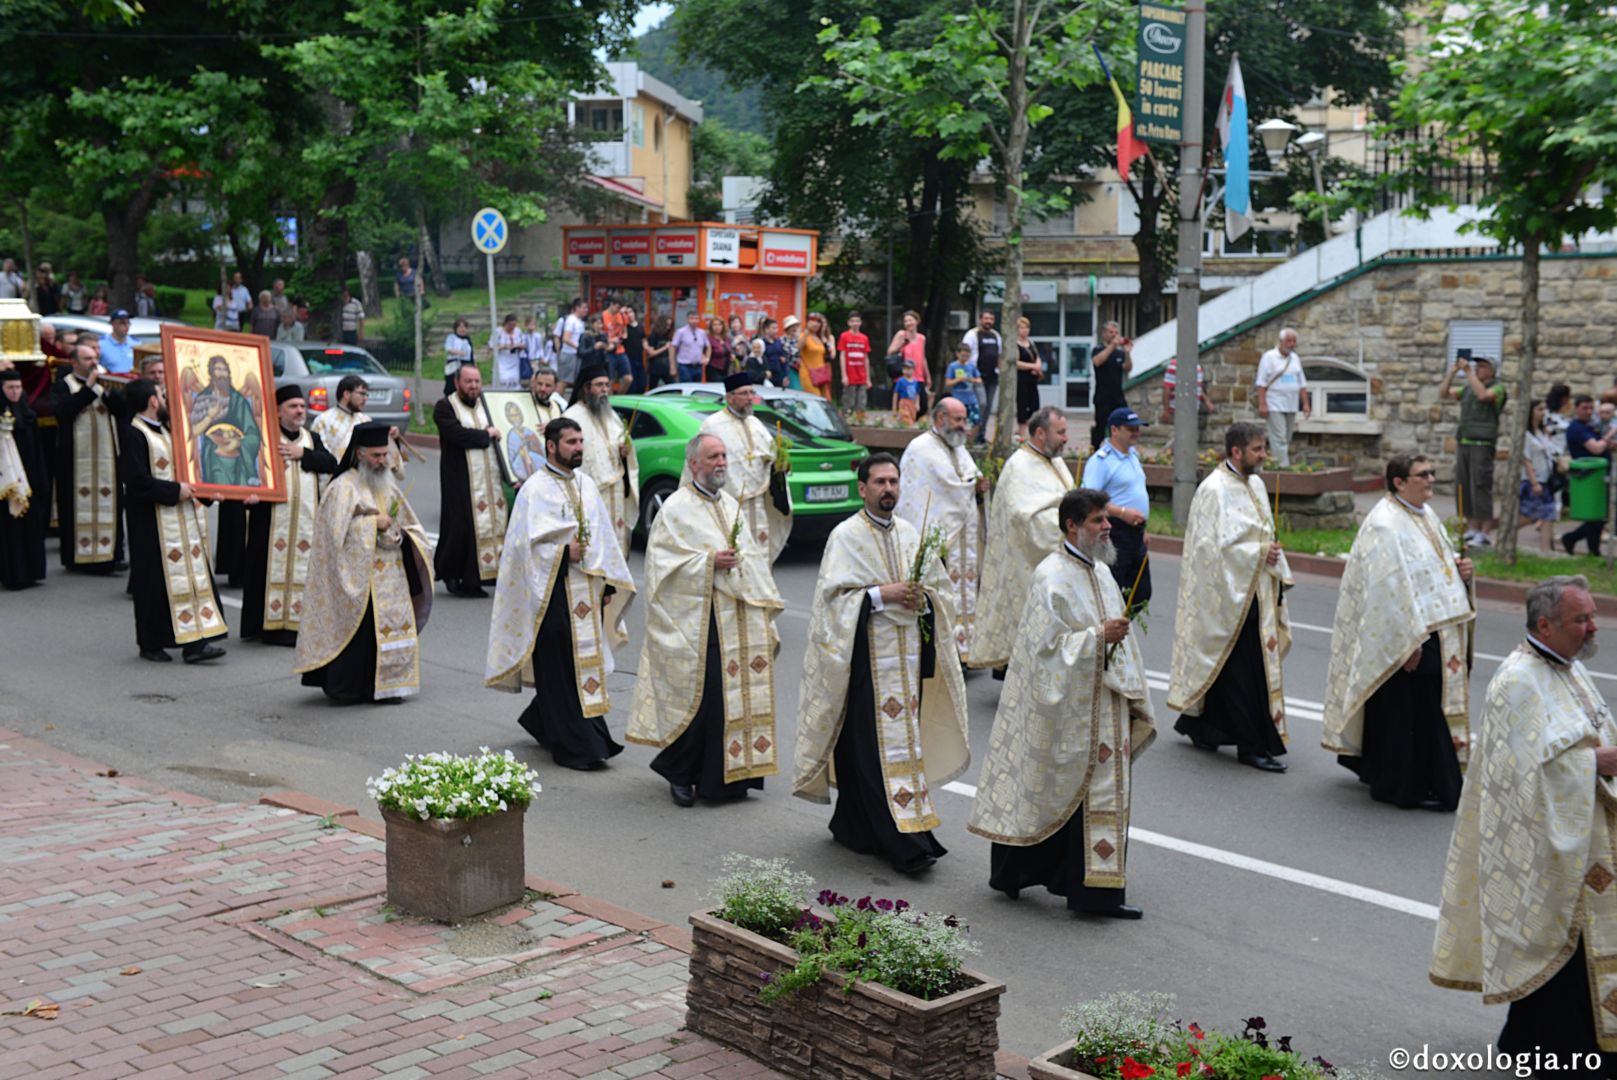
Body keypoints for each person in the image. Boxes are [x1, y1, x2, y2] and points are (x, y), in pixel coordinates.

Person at [1431, 576, 1617, 1070]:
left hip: (1588, 840)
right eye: (1581, 619)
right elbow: (1517, 778)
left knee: (1580, 955)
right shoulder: (1517, 681)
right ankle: (1549, 1052)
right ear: (1545, 625)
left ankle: (1563, 1045)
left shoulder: (1567, 668)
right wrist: (1593, 765)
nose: (1592, 626)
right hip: (1550, 854)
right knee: (1559, 953)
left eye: (1591, 616)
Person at [968, 488, 1155, 919]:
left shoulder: (1103, 572)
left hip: (1105, 703)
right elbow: (1043, 652)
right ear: (1072, 526)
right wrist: (1096, 639)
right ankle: (1022, 874)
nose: (1108, 526)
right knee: (1053, 791)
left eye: (1107, 518)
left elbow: (1115, 634)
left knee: (1093, 797)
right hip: (1070, 708)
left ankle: (1096, 892)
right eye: (1097, 520)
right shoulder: (1050, 576)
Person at [794, 453, 970, 874]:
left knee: (890, 752)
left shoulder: (911, 534)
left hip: (906, 664)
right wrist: (880, 595)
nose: (888, 489)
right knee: (870, 752)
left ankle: (855, 826)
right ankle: (904, 843)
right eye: (880, 482)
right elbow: (830, 603)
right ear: (863, 488)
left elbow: (939, 592)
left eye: (893, 482)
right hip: (864, 660)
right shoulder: (845, 535)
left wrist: (923, 599)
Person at [627, 433, 784, 806]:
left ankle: (729, 778)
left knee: (733, 699)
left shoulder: (730, 504)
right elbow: (661, 567)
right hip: (698, 618)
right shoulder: (676, 508)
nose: (721, 463)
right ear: (693, 463)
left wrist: (762, 601)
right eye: (713, 456)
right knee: (704, 695)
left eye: (724, 456)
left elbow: (750, 556)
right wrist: (708, 562)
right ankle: (679, 772)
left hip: (738, 615)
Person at [1323, 451, 1475, 810]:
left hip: (1433, 630)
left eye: (1432, 472)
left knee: (1422, 709)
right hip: (1407, 638)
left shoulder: (1427, 515)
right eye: (1422, 474)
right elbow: (1385, 590)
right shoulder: (1384, 524)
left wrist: (1461, 573)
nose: (1431, 479)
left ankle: (1417, 779)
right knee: (1408, 713)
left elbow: (1430, 571)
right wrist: (1408, 642)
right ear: (1399, 482)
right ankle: (1402, 785)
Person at [487, 416, 637, 770]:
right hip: (549, 594)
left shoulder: (586, 484)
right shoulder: (533, 490)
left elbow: (601, 535)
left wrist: (607, 584)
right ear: (551, 446)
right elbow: (521, 549)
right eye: (571, 442)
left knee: (581, 664)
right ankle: (574, 744)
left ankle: (551, 723)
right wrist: (560, 553)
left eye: (581, 442)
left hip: (585, 587)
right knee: (558, 664)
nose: (579, 448)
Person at [1166, 422, 1294, 773]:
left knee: (1234, 669)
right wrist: (1258, 553)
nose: (1263, 454)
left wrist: (1271, 557)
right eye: (1257, 449)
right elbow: (1210, 549)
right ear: (1236, 451)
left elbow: (1262, 532)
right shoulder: (1213, 490)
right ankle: (1252, 747)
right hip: (1227, 597)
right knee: (1245, 674)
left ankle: (1202, 726)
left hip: (1256, 591)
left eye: (1264, 447)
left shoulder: (1256, 484)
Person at [295, 422, 434, 703]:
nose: (382, 461)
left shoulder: (389, 487)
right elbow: (333, 538)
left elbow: (412, 527)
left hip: (391, 575)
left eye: (385, 455)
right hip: (359, 576)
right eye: (376, 456)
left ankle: (390, 685)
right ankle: (352, 687)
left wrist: (400, 535)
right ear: (359, 454)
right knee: (361, 632)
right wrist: (372, 524)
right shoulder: (342, 488)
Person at [120, 378, 227, 664]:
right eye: (160, 394)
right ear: (153, 401)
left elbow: (189, 471)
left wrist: (208, 494)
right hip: (151, 523)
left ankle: (195, 643)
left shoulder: (169, 431)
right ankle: (151, 643)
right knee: (154, 583)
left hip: (181, 518)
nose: (165, 399)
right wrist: (174, 491)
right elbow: (137, 482)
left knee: (192, 579)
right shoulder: (134, 433)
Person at [967, 406, 1073, 672]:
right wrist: (1072, 530)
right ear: (1040, 433)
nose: (1066, 438)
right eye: (1060, 432)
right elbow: (1027, 522)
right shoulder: (1019, 467)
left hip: (1061, 564)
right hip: (1028, 567)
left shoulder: (1055, 461)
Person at [240, 384, 338, 645]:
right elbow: (245, 471)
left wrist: (302, 454)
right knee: (263, 568)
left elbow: (330, 463)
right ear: (278, 411)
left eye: (302, 406)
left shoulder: (310, 438)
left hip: (305, 521)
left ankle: (296, 626)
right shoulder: (263, 437)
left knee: (303, 572)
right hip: (269, 519)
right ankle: (265, 628)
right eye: (293, 406)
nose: (299, 411)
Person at [895, 399, 986, 664]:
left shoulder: (957, 447)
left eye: (964, 420)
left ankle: (962, 650)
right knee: (939, 598)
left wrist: (979, 484)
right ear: (940, 418)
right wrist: (971, 487)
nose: (963, 426)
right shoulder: (920, 448)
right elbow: (947, 489)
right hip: (937, 540)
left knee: (962, 593)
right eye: (958, 420)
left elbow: (967, 477)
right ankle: (943, 655)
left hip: (960, 539)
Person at [695, 372, 791, 562]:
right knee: (735, 554)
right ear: (729, 397)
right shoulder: (712, 425)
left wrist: (779, 466)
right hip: (729, 503)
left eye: (751, 393)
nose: (750, 399)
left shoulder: (755, 423)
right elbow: (701, 463)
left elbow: (770, 458)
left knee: (760, 556)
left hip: (759, 503)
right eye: (744, 394)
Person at [432, 365, 507, 598]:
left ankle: (478, 577)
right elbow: (457, 435)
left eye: (476, 381)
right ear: (457, 383)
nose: (473, 386)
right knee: (459, 528)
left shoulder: (487, 405)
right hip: (459, 478)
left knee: (487, 526)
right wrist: (486, 435)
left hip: (490, 478)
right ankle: (453, 576)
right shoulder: (445, 406)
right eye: (468, 381)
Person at [52, 343, 125, 572]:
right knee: (74, 506)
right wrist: (89, 389)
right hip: (75, 460)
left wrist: (109, 391)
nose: (93, 362)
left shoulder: (107, 384)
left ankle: (110, 556)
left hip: (107, 459)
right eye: (87, 359)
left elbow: (123, 411)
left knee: (111, 503)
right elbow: (63, 412)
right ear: (74, 362)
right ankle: (78, 559)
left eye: (95, 357)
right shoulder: (64, 385)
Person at [563, 363, 639, 555]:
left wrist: (625, 452)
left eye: (607, 385)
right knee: (596, 545)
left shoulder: (611, 415)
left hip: (617, 492)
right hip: (591, 494)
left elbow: (621, 447)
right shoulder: (571, 417)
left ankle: (616, 586)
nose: (605, 390)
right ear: (586, 388)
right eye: (599, 385)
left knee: (618, 544)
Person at [1080, 407, 1152, 611]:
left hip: (1136, 532)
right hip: (1115, 530)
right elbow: (1088, 498)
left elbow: (1137, 491)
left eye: (1137, 428)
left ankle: (1121, 633)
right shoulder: (1101, 461)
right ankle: (1111, 633)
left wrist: (1143, 528)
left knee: (1141, 591)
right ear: (1115, 430)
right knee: (1114, 588)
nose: (1136, 432)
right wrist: (1122, 513)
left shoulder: (1132, 455)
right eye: (1130, 428)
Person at [1441, 353, 1506, 547]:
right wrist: (1451, 374)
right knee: (1464, 485)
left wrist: (1468, 373)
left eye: (1483, 367)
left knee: (1480, 485)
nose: (1478, 369)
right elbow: (1443, 394)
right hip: (1465, 441)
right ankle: (1471, 528)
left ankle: (1484, 532)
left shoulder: (1498, 388)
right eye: (1476, 366)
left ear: (1492, 371)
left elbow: (1483, 396)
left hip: (1482, 444)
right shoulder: (1468, 387)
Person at [0, 368, 47, 589]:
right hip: (6, 482)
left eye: (18, 387)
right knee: (9, 530)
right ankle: (13, 574)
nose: (15, 392)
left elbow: (38, 450)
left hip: (29, 480)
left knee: (30, 527)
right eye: (10, 388)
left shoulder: (27, 415)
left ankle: (32, 571)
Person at [188, 354, 263, 488]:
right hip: (214, 457)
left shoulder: (239, 401)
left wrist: (238, 443)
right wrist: (210, 416)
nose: (222, 373)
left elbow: (253, 433)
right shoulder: (203, 399)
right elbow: (194, 431)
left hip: (239, 457)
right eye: (218, 369)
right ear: (211, 372)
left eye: (224, 370)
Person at [308, 374, 401, 478]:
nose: (365, 398)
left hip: (362, 482)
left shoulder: (366, 420)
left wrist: (393, 438)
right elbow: (319, 457)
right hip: (333, 482)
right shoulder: (323, 420)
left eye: (367, 395)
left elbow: (381, 456)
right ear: (347, 394)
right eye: (362, 394)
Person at [1253, 327, 1309, 467]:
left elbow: (1302, 384)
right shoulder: (1269, 357)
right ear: (1281, 341)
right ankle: (1283, 468)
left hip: (1291, 405)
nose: (1291, 344)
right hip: (1274, 404)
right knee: (1279, 437)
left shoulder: (1295, 358)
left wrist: (1306, 404)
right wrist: (1262, 404)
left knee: (1286, 437)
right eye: (1288, 341)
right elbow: (1261, 382)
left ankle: (1273, 463)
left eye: (1294, 341)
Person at [1562, 395, 1609, 556]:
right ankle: (1588, 547)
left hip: (1598, 475)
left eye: (1591, 408)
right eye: (1585, 408)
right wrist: (1611, 434)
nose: (1589, 412)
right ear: (1576, 409)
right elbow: (1595, 448)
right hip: (1589, 476)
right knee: (1595, 515)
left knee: (1599, 516)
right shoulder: (1576, 427)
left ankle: (1577, 541)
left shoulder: (1588, 426)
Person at [1519, 399, 1560, 553]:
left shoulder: (1542, 433)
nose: (1543, 413)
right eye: (1539, 409)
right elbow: (1526, 459)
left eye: (1544, 409)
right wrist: (1534, 482)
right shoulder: (1526, 435)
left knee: (1549, 513)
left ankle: (1546, 549)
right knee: (1529, 516)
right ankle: (1504, 529)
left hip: (1545, 479)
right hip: (1533, 480)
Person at [1089, 321, 1132, 451]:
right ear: (1104, 334)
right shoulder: (1098, 349)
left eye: (1116, 333)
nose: (1114, 335)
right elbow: (1097, 362)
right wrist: (1112, 346)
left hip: (1117, 396)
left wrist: (1127, 353)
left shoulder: (1119, 353)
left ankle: (1121, 449)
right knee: (1101, 426)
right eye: (1111, 332)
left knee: (1124, 423)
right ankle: (1095, 449)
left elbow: (1127, 368)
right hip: (1103, 396)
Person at [962, 311, 1001, 442]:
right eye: (986, 318)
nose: (988, 321)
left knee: (988, 407)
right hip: (977, 377)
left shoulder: (996, 335)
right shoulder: (972, 334)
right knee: (981, 404)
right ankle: (972, 433)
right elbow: (964, 352)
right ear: (980, 319)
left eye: (991, 318)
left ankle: (981, 435)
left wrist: (999, 370)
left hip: (992, 377)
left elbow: (1000, 355)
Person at [1160, 355, 1209, 447]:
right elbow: (1167, 388)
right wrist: (1166, 410)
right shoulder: (1174, 365)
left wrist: (1207, 401)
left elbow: (1197, 387)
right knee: (1181, 434)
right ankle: (1165, 453)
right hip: (1177, 407)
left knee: (1187, 434)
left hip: (1193, 408)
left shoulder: (1197, 366)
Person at [944, 343, 984, 439]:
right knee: (957, 420)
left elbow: (979, 380)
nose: (965, 358)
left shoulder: (971, 366)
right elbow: (948, 383)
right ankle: (956, 438)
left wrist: (971, 380)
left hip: (971, 398)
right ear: (957, 354)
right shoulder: (953, 366)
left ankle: (970, 440)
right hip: (958, 398)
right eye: (962, 355)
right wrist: (958, 379)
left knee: (976, 420)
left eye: (967, 356)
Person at [887, 310, 927, 403]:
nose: (908, 323)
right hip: (904, 375)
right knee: (905, 404)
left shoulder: (922, 338)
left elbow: (923, 357)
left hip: (918, 375)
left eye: (910, 320)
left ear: (917, 321)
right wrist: (902, 344)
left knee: (922, 405)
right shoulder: (901, 334)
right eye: (906, 321)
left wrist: (927, 375)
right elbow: (890, 351)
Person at [1013, 318, 1042, 438]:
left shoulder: (1031, 343)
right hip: (1021, 379)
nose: (1025, 330)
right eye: (1022, 328)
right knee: (1022, 405)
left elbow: (1037, 357)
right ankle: (1021, 434)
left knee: (1035, 405)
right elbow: (1016, 363)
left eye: (1027, 328)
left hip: (1032, 379)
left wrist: (1038, 366)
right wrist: (1032, 366)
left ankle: (1031, 430)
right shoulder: (1015, 344)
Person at [797, 312, 836, 401]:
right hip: (808, 373)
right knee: (815, 398)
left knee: (825, 399)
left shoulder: (819, 338)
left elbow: (830, 355)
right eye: (813, 321)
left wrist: (823, 334)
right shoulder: (804, 335)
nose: (816, 324)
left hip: (821, 373)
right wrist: (807, 331)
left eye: (818, 322)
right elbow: (799, 347)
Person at [837, 312, 871, 414]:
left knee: (861, 402)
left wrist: (868, 378)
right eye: (852, 321)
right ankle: (847, 420)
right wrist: (844, 375)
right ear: (848, 323)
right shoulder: (844, 336)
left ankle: (860, 421)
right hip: (850, 374)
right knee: (849, 401)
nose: (855, 323)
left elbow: (866, 358)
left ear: (860, 323)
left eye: (857, 321)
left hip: (862, 375)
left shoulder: (864, 338)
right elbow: (842, 355)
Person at [556, 297, 586, 389]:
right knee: (564, 381)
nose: (586, 310)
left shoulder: (580, 322)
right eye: (584, 308)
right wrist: (578, 347)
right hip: (569, 354)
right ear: (577, 308)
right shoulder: (571, 320)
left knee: (575, 381)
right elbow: (566, 338)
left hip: (576, 355)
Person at [671, 310, 709, 383]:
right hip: (685, 366)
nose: (694, 321)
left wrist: (707, 358)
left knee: (697, 388)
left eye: (696, 319)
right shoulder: (680, 332)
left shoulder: (702, 332)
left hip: (698, 366)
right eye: (691, 318)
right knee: (686, 387)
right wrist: (673, 366)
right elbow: (673, 347)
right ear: (687, 319)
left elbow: (708, 346)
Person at [443, 318, 475, 397]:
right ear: (456, 328)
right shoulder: (451, 337)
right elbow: (448, 349)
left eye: (464, 327)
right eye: (460, 327)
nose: (462, 329)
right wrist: (459, 353)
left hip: (466, 364)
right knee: (452, 384)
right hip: (454, 363)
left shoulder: (468, 339)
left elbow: (471, 353)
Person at [98, 309, 136, 375]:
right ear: (113, 324)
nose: (126, 326)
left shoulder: (136, 344)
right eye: (123, 323)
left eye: (128, 323)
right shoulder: (101, 344)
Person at [491, 313, 523, 390]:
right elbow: (492, 346)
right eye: (510, 325)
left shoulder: (518, 331)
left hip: (514, 359)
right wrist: (503, 346)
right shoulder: (498, 332)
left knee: (514, 380)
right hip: (502, 360)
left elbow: (522, 343)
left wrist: (519, 346)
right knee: (503, 379)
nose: (512, 327)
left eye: (514, 325)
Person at [643, 315, 672, 391]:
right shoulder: (653, 336)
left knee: (671, 386)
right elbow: (652, 353)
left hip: (666, 366)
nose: (668, 328)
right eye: (667, 325)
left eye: (670, 325)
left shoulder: (667, 335)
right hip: (655, 367)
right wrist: (664, 348)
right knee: (653, 387)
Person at [623, 306, 646, 394]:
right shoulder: (625, 327)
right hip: (628, 358)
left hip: (639, 358)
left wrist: (647, 347)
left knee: (642, 383)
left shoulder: (640, 326)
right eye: (626, 313)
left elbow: (643, 339)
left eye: (630, 312)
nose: (629, 315)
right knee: (633, 384)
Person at [705, 316, 732, 385]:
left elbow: (728, 350)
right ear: (711, 327)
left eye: (719, 324)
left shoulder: (726, 338)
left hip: (726, 369)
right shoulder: (708, 338)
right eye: (715, 325)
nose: (717, 327)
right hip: (713, 368)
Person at [778, 314, 802, 389]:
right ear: (787, 328)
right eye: (792, 326)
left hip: (800, 369)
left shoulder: (800, 339)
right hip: (788, 370)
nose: (795, 328)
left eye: (796, 326)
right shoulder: (781, 340)